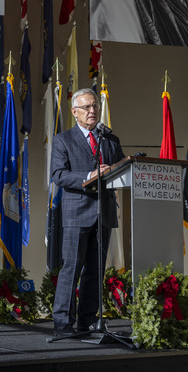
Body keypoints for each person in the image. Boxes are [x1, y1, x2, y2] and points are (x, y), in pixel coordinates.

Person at [50, 88, 125, 336]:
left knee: (95, 270)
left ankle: (87, 320)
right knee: (71, 268)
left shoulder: (110, 140)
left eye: (95, 106)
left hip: (104, 212)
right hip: (76, 213)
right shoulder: (63, 140)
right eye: (86, 107)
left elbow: (121, 169)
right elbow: (58, 175)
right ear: (75, 112)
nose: (93, 111)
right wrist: (89, 175)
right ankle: (63, 323)